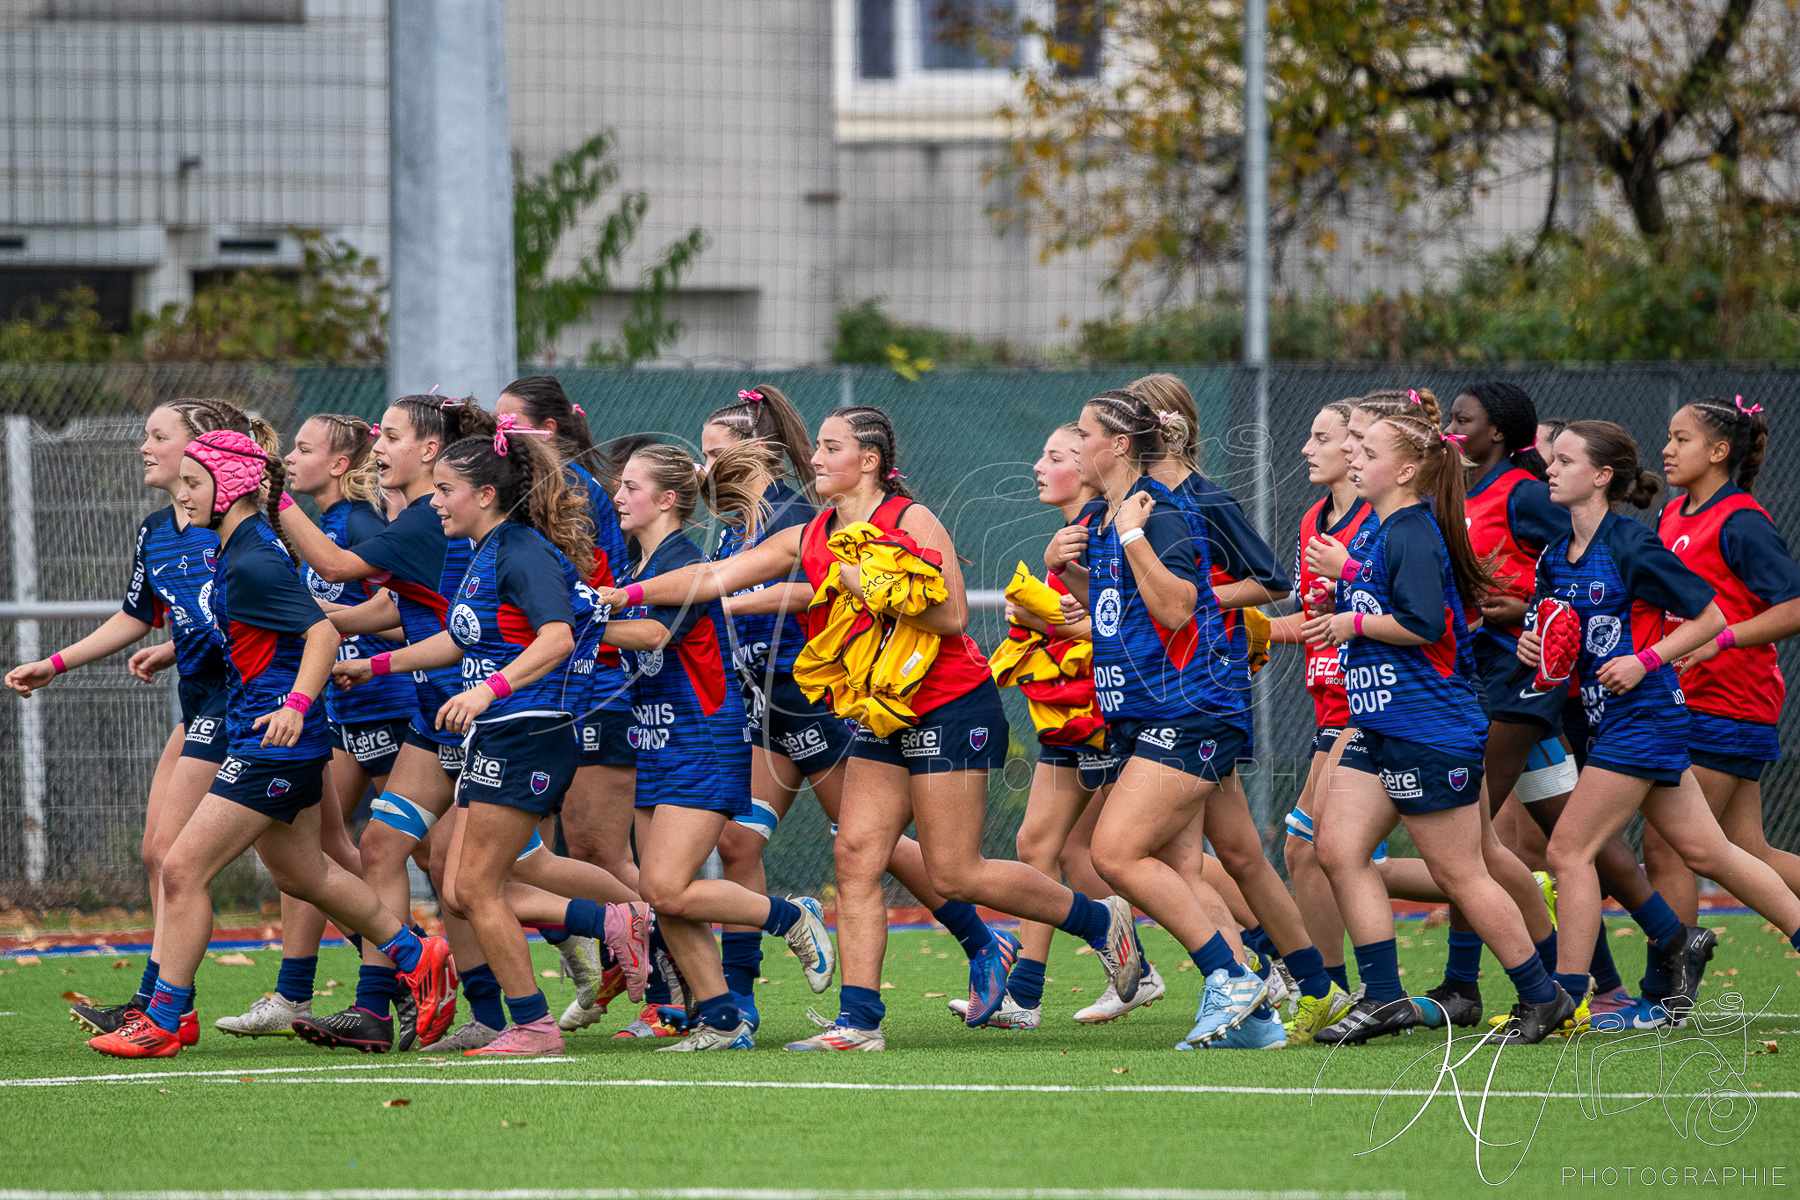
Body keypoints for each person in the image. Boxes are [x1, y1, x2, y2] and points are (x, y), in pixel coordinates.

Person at [595, 406, 1139, 1051]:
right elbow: (712, 578)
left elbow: (955, 616)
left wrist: (864, 581)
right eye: (819, 448)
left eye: (831, 448)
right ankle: (859, 1023)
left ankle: (1100, 921)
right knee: (854, 856)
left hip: (947, 703)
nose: (817, 459)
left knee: (955, 871)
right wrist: (620, 597)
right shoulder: (812, 530)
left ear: (870, 461)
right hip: (879, 708)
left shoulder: (909, 519)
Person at [87, 429, 450, 1057]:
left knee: (180, 867)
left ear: (229, 487)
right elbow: (265, 633)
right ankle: (419, 957)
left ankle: (165, 1019)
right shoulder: (239, 548)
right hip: (265, 734)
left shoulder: (253, 554)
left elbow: (320, 635)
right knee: (305, 871)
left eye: (197, 483)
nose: (186, 493)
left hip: (273, 741)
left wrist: (296, 705)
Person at [7, 398, 277, 1045]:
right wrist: (57, 662)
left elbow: (260, 619)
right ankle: (404, 954)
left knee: (191, 860)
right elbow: (140, 614)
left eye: (157, 435)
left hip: (241, 707)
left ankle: (165, 1007)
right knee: (177, 855)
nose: (143, 447)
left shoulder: (238, 532)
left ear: (198, 447)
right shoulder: (156, 531)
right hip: (203, 700)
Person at [1307, 406, 1573, 1046]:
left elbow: (1424, 625)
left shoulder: (1412, 533)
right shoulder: (1378, 531)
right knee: (1337, 849)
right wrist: (1345, 584)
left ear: (1404, 470)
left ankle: (1544, 996)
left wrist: (1354, 619)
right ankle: (1383, 996)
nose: (1353, 457)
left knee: (1464, 873)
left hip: (1429, 728)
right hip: (1382, 725)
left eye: (1367, 450)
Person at [1527, 420, 1800, 1027]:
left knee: (1568, 851)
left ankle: (1563, 999)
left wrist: (1647, 659)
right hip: (1611, 721)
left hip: (1645, 716)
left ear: (1601, 476)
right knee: (1710, 851)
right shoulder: (1554, 555)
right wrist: (1536, 650)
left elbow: (1708, 617)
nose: (1550, 468)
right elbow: (1550, 637)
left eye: (1565, 460)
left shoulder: (1631, 544)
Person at [1054, 389, 1285, 1050]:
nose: (1075, 444)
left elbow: (1179, 608)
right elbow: (1119, 611)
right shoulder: (1109, 516)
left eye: (1085, 433)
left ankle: (1235, 979)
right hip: (1148, 714)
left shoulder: (1155, 515)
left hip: (1191, 712)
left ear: (1120, 445)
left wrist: (1130, 534)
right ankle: (1256, 1019)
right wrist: (1067, 567)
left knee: (1115, 851)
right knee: (1178, 861)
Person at [588, 440, 837, 1051]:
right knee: (660, 894)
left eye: (632, 487)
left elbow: (652, 632)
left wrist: (579, 626)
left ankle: (789, 916)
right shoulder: (636, 565)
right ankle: (723, 1021)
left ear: (669, 500)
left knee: (669, 887)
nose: (618, 496)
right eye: (619, 486)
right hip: (658, 740)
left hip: (701, 740)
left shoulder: (680, 557)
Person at [1130, 376, 1349, 1043]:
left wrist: (1199, 601)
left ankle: (1241, 992)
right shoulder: (1136, 503)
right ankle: (1318, 990)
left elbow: (1272, 581)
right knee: (1239, 854)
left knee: (1162, 858)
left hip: (1199, 691)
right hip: (1166, 694)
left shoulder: (1199, 497)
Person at [278, 393, 497, 1051]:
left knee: (473, 879)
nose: (381, 448)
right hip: (436, 719)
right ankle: (377, 1008)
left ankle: (625, 930)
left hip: (483, 714)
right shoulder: (421, 517)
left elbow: (339, 567)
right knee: (384, 848)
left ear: (430, 450)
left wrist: (270, 495)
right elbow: (390, 610)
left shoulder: (431, 515)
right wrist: (319, 627)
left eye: (393, 436)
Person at [213, 412, 415, 1037]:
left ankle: (453, 986)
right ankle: (316, 992)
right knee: (317, 860)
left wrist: (329, 632)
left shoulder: (353, 523)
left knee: (456, 871)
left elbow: (393, 613)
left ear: (336, 465)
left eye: (302, 450)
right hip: (342, 708)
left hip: (390, 705)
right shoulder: (321, 523)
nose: (288, 460)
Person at [493, 376, 641, 1029]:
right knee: (518, 858)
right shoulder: (505, 506)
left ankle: (672, 984)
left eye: (507, 425)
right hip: (537, 693)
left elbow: (583, 605)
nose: (494, 438)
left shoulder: (569, 497)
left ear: (546, 431)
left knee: (595, 848)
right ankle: (598, 962)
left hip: (592, 684)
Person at [1648, 397, 1800, 924]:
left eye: (1681, 439)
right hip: (1689, 699)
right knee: (1747, 851)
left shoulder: (1742, 520)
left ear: (1718, 451)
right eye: (1668, 437)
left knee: (1669, 849)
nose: (1666, 450)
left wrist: (1723, 639)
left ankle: (1668, 998)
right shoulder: (1672, 512)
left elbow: (1795, 607)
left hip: (1728, 703)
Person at [1268, 400, 1371, 1038]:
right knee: (1309, 853)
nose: (1306, 447)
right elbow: (1312, 625)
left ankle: (1354, 990)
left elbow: (1415, 608)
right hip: (1330, 708)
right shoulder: (1313, 518)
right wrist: (1237, 629)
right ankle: (1333, 989)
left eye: (1322, 437)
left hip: (1372, 708)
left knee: (1317, 850)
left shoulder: (1380, 520)